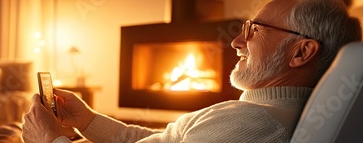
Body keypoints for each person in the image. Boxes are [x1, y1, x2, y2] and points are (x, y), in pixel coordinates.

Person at [22, 0, 362, 142]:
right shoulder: (256, 113)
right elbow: (163, 140)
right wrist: (86, 121)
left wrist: (48, 139)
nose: (236, 43)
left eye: (255, 30)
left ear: (302, 52)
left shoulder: (255, 125)